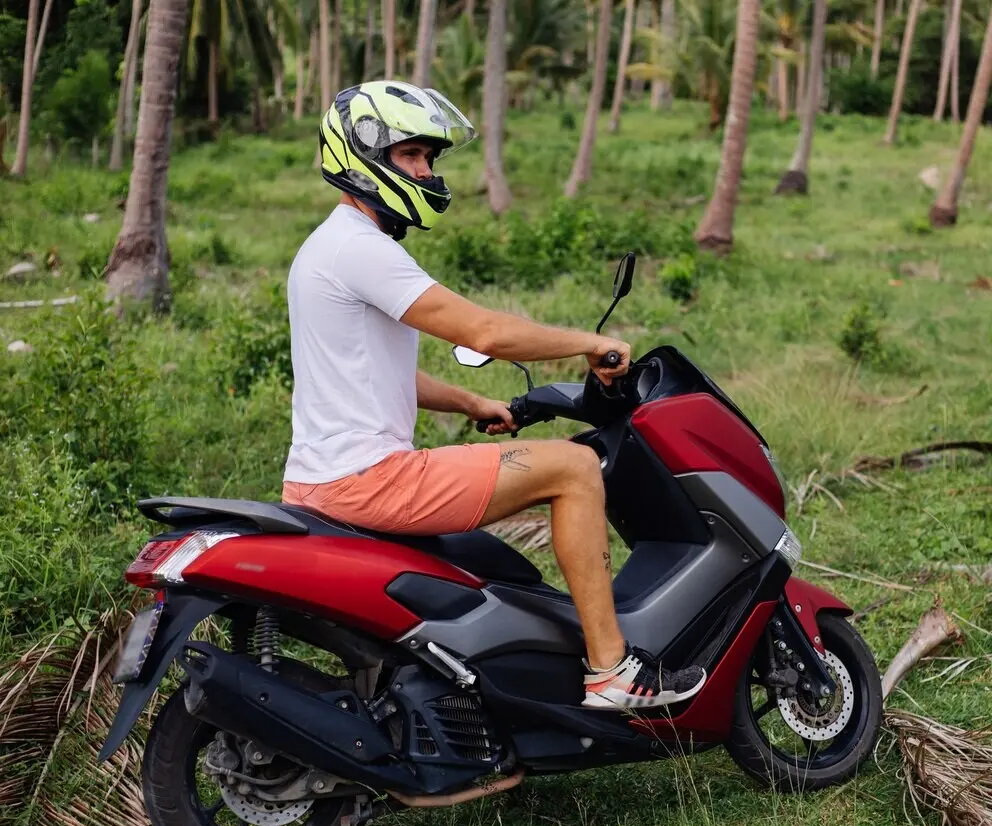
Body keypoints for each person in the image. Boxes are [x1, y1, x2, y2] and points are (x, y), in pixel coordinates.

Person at [281, 81, 706, 710]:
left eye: (429, 157)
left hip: (324, 479)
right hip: (368, 480)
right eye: (411, 157)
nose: (426, 171)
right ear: (363, 157)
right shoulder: (360, 249)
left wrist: (472, 403)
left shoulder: (330, 246)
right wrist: (588, 344)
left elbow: (375, 374)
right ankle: (611, 670)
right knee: (576, 466)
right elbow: (482, 330)